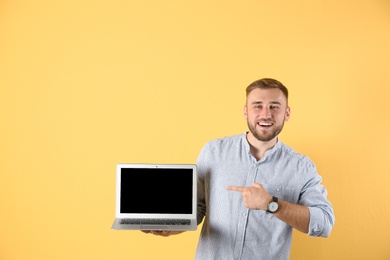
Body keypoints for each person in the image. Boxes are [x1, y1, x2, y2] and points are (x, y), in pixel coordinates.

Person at [143, 78, 335, 259]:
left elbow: (324, 223)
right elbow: (197, 208)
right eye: (257, 106)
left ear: (287, 113)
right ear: (246, 112)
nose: (266, 114)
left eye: (274, 107)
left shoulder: (301, 167)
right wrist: (169, 228)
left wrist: (271, 204)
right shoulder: (213, 152)